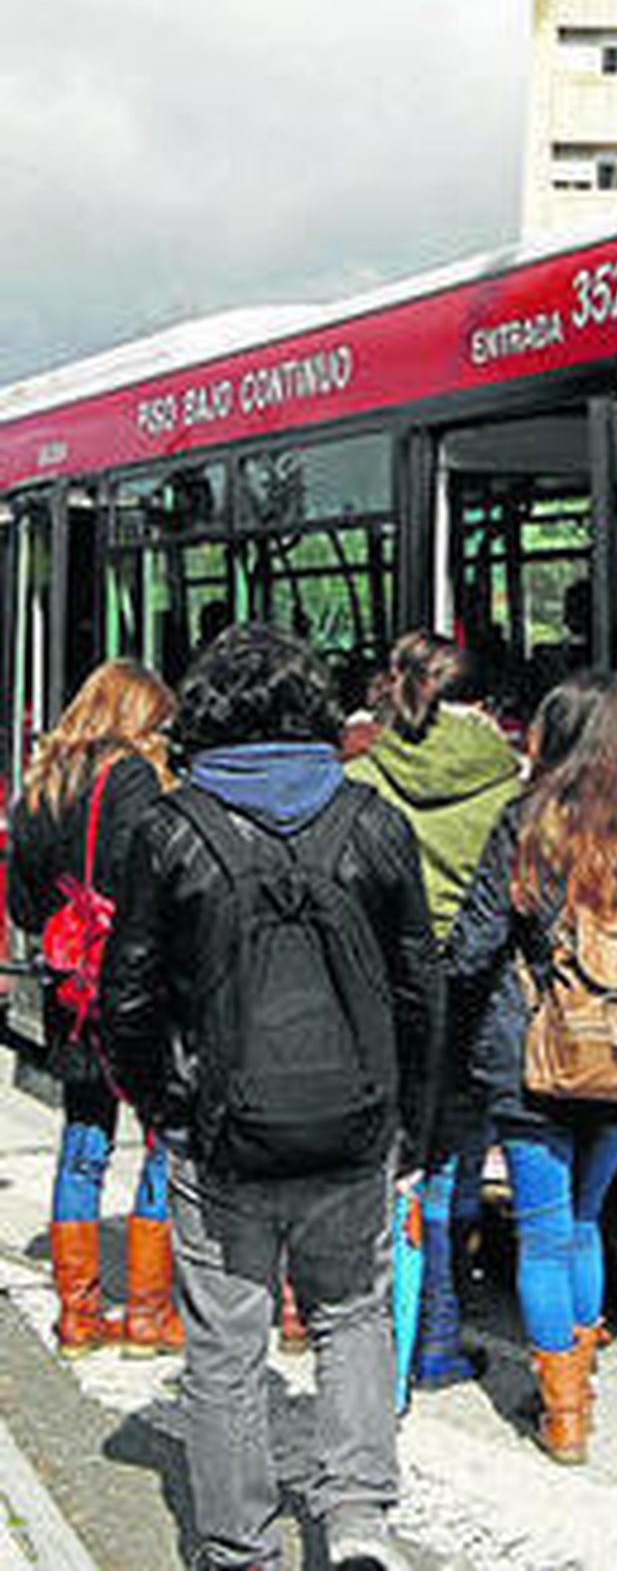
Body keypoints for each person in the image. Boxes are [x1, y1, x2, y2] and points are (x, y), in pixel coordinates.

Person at [100, 624, 443, 1571]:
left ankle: (239, 1544)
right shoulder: (373, 821)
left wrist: (164, 1104)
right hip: (357, 1123)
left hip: (221, 1130)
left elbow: (126, 995)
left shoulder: (170, 830)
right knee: (353, 1317)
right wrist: (408, 1121)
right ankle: (360, 1520)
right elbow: (421, 985)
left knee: (225, 1344)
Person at [448, 670, 617, 1463]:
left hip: (533, 1058)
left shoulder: (530, 823)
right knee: (584, 1222)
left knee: (540, 1235)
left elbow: (474, 946)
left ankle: (562, 1413)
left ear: (555, 737)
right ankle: (581, 1381)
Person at [346, 629, 521, 1391]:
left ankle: (385, 1334)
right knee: (455, 1165)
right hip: (475, 996)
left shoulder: (361, 778)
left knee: (393, 1168)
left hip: (386, 997)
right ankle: (440, 1338)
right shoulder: (512, 782)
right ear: (479, 705)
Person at [6, 660, 184, 1358]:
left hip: (67, 985)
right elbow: (145, 884)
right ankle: (146, 1309)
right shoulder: (134, 779)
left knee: (83, 1138)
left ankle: (78, 1314)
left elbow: (22, 901)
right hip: (128, 983)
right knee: (163, 1136)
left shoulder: (42, 780)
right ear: (138, 715)